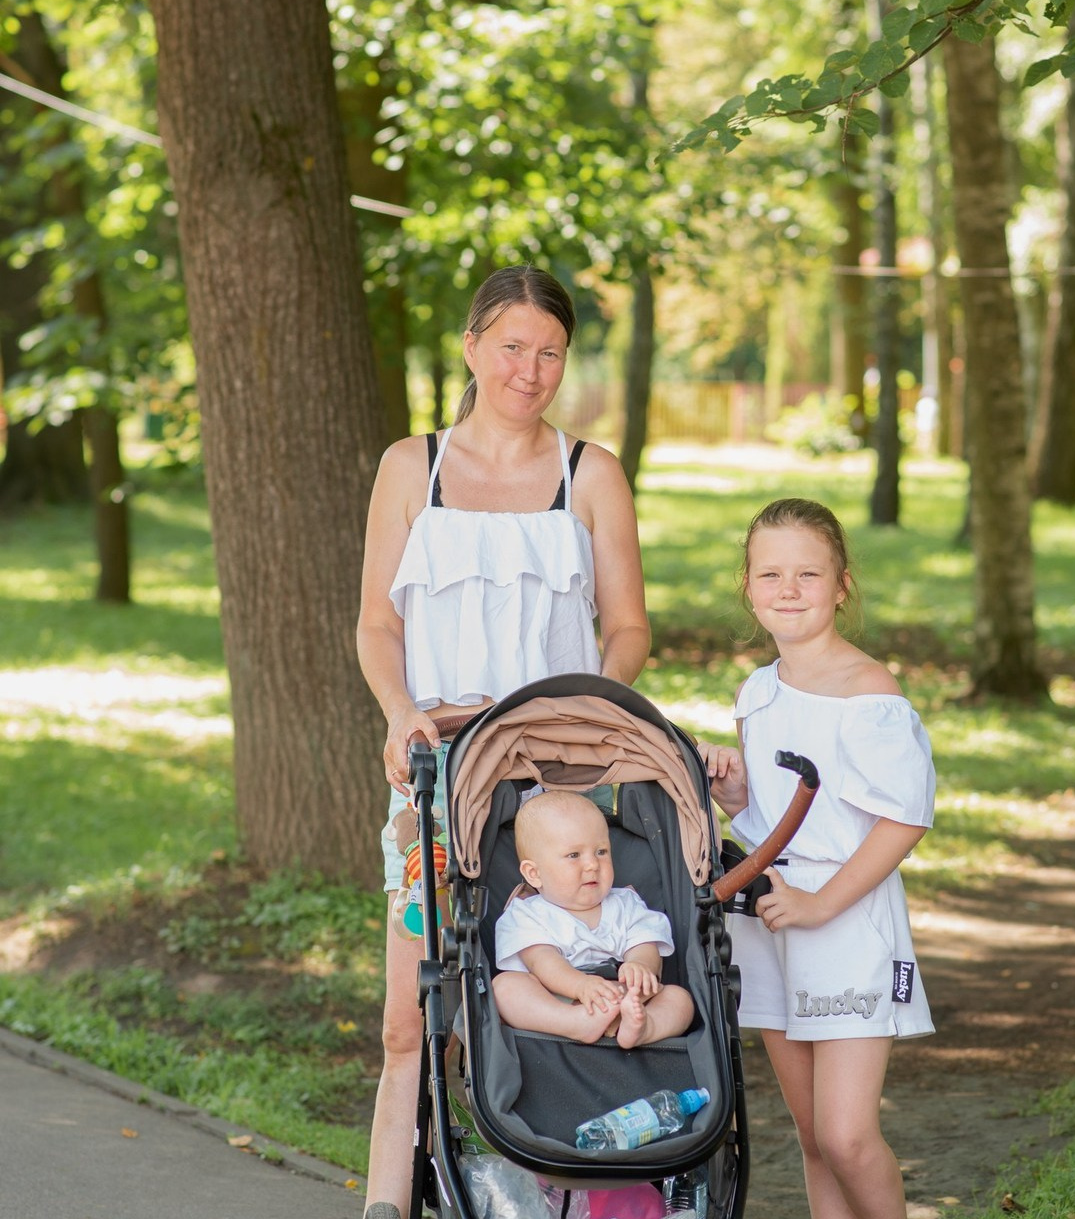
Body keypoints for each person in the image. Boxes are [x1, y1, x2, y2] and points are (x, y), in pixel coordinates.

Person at [355, 265, 651, 1219]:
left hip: (554, 785)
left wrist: (590, 710)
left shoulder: (588, 472)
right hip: (437, 776)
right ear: (473, 346)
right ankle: (386, 1202)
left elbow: (630, 626)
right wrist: (401, 710)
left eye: (552, 352)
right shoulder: (414, 467)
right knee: (412, 1016)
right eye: (513, 347)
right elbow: (375, 625)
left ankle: (548, 1187)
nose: (531, 369)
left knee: (554, 987)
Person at [697, 498, 935, 1219]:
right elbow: (777, 819)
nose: (789, 589)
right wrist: (736, 797)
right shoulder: (758, 690)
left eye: (809, 573)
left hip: (843, 921)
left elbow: (904, 820)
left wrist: (821, 905)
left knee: (848, 1134)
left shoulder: (870, 695)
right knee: (810, 1136)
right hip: (773, 919)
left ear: (841, 585)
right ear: (747, 585)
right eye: (770, 574)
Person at [493, 790, 694, 1048]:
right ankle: (574, 1022)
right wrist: (580, 987)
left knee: (679, 999)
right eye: (574, 855)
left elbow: (645, 941)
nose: (592, 865)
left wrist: (640, 965)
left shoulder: (625, 903)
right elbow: (543, 962)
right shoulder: (526, 914)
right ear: (534, 873)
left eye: (601, 851)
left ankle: (643, 1027)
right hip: (557, 999)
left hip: (624, 997)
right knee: (505, 988)